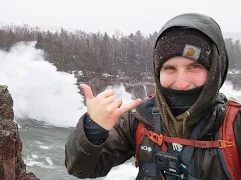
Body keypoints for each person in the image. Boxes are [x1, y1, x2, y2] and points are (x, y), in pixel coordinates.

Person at [65, 13, 241, 179]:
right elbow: (82, 168)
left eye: (194, 67)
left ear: (214, 71)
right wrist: (94, 128)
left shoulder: (235, 125)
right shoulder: (139, 118)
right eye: (169, 68)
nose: (181, 83)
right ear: (158, 74)